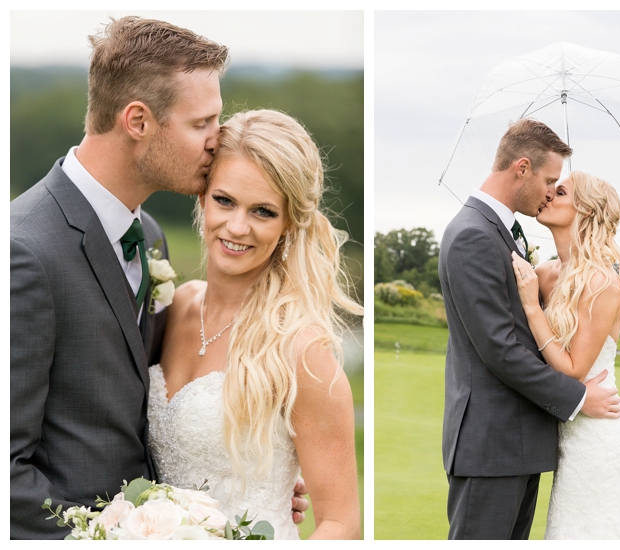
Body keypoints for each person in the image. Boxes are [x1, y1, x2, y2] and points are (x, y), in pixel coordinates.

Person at [9, 17, 307, 539]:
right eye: (202, 124)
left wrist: (255, 472)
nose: (218, 141)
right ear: (139, 121)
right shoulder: (23, 251)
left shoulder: (147, 236)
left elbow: (138, 405)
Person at [147, 109, 361, 539]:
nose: (237, 227)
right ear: (202, 197)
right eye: (224, 200)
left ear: (287, 225)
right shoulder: (175, 307)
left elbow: (342, 523)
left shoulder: (300, 351)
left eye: (262, 211)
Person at [438, 118, 620, 540]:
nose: (548, 193)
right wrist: (578, 399)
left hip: (519, 444)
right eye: (550, 181)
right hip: (492, 446)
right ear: (522, 167)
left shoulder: (502, 234)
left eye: (559, 187)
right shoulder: (474, 235)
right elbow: (500, 349)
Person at [510, 171, 620, 539]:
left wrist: (532, 308)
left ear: (586, 211)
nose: (547, 195)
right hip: (564, 435)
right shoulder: (542, 274)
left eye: (560, 192)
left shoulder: (602, 283)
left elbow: (574, 370)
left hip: (599, 439)